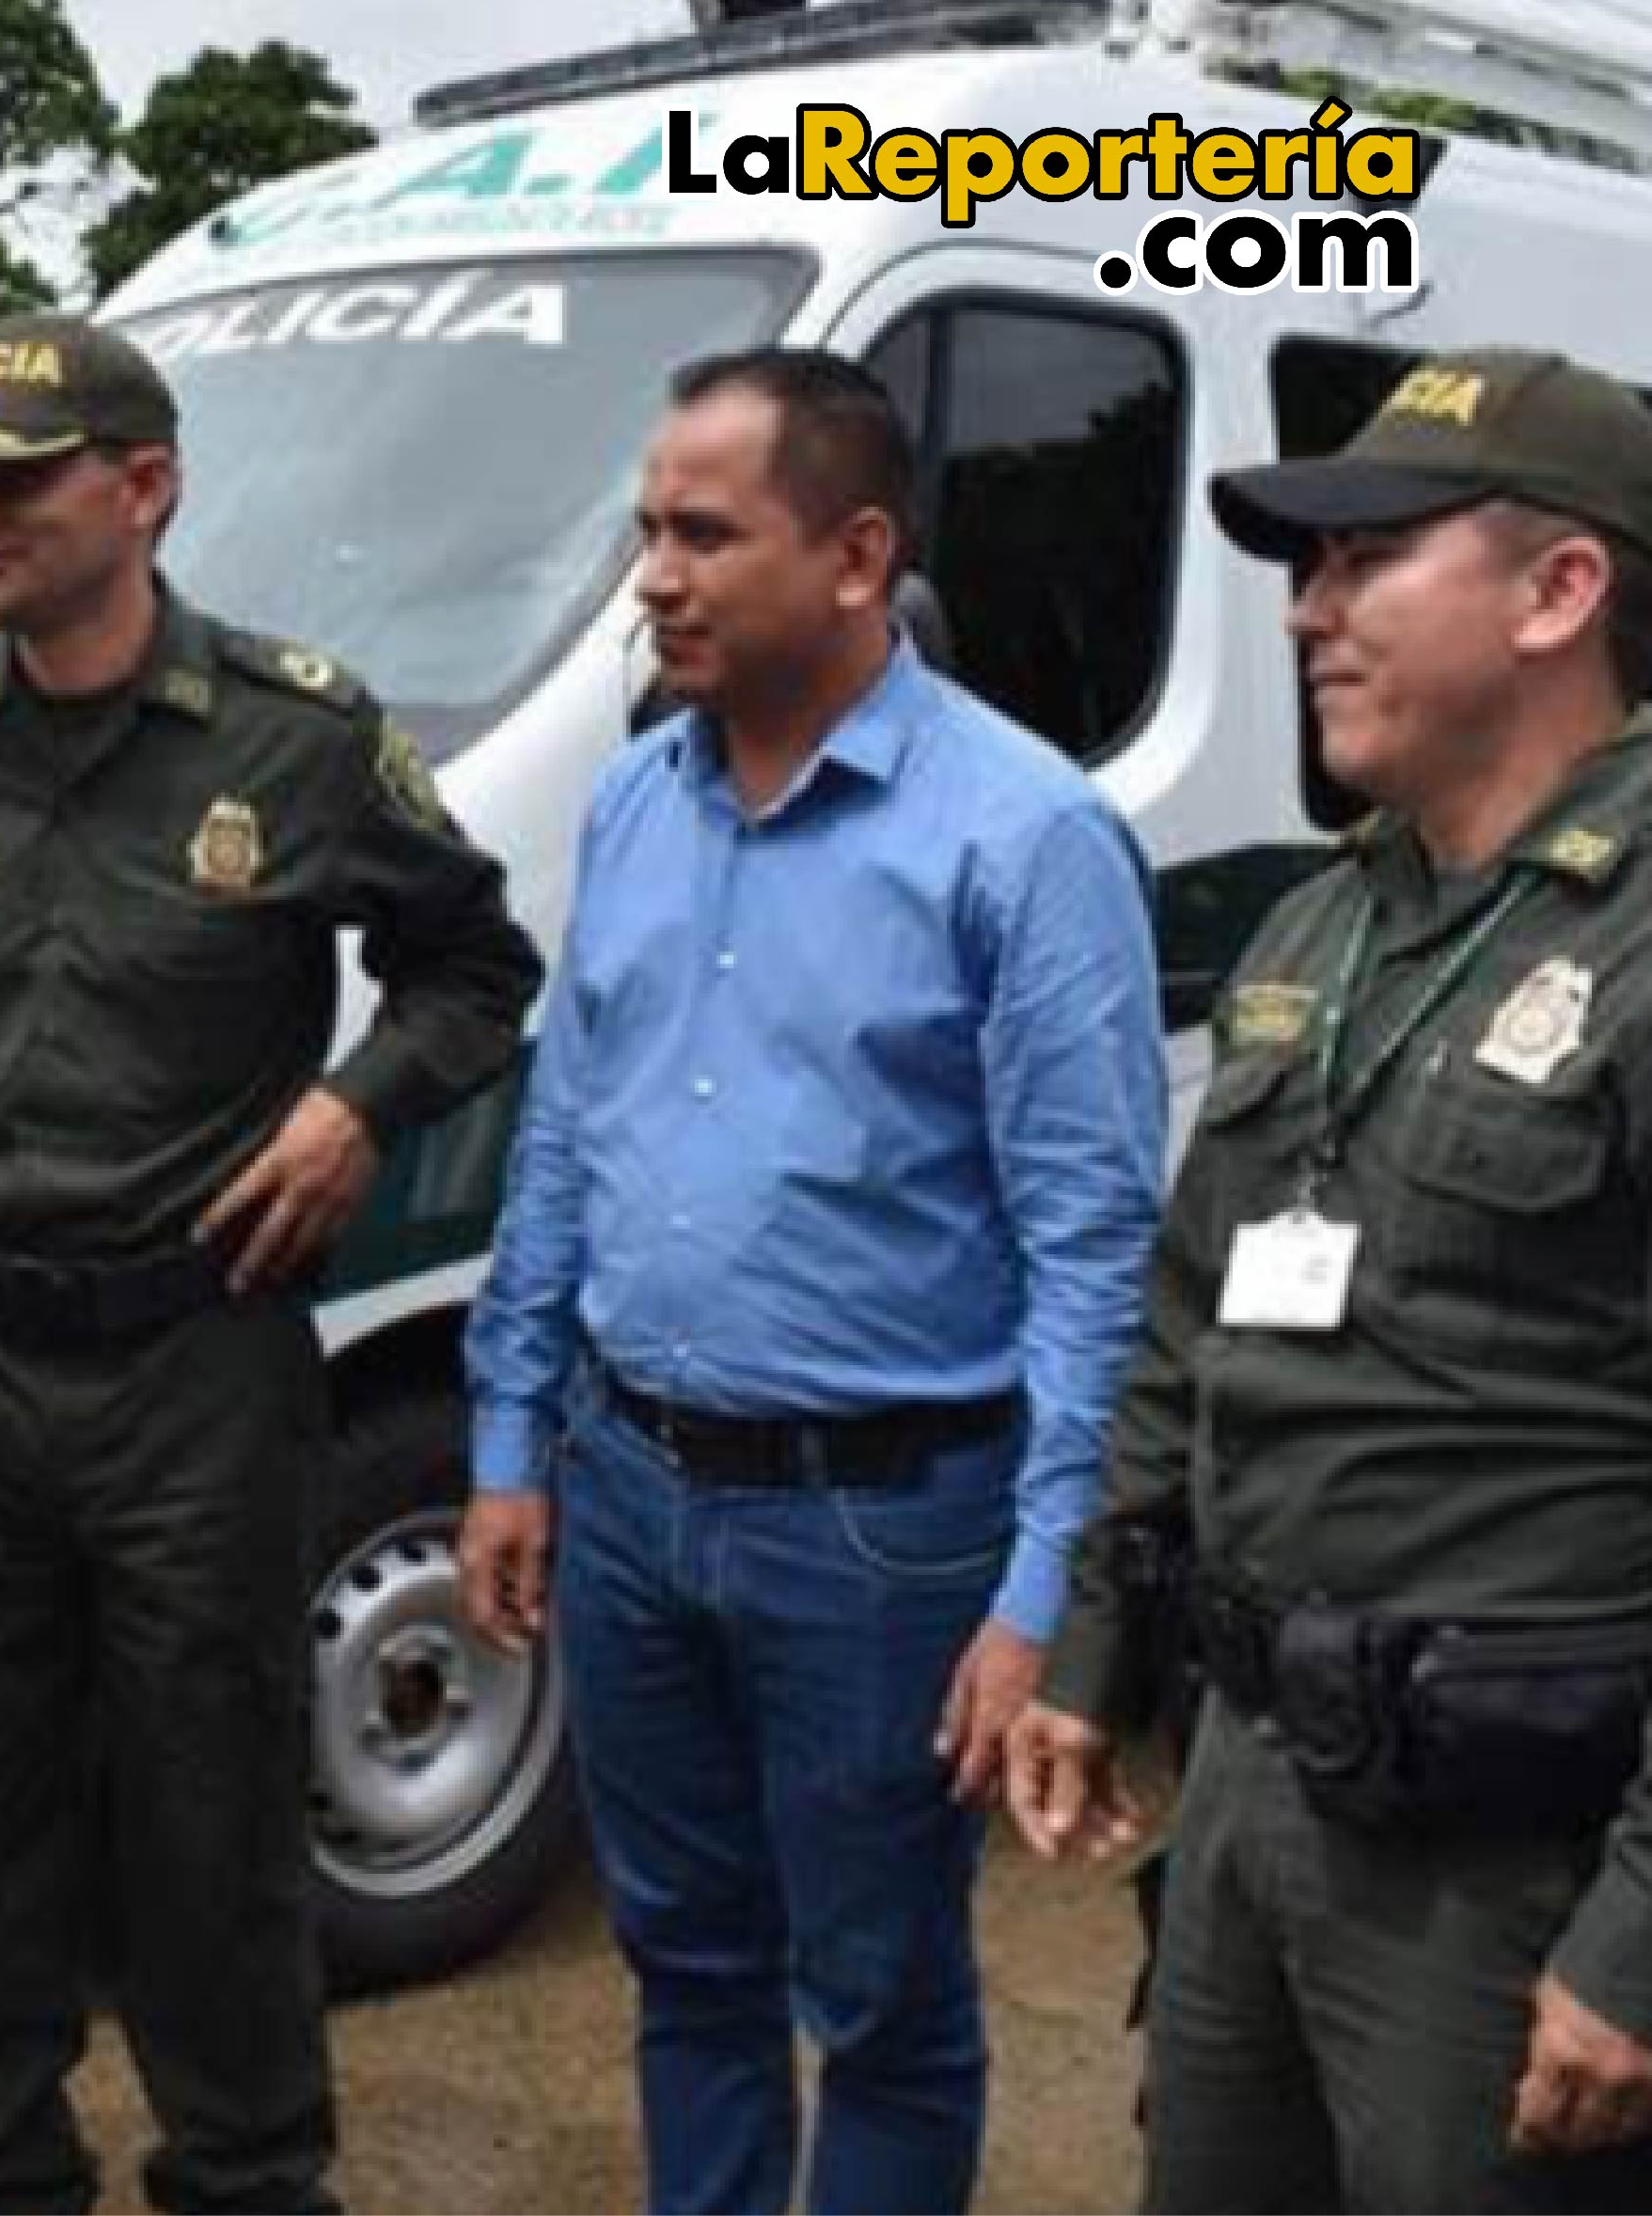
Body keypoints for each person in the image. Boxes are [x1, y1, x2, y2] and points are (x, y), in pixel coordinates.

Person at [0, 310, 540, 2215]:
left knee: (212, 1822)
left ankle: (252, 2171)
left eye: (20, 479)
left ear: (146, 485)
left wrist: (359, 1106)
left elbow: (477, 968)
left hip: (197, 1370)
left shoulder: (298, 736)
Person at [1006, 348, 1652, 2213]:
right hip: (1256, 1784)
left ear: (1562, 591)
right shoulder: (1324, 922)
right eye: (1307, 568)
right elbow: (1192, 1327)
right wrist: (1094, 1650)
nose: (1308, 609)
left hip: (1512, 1853)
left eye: (1367, 559)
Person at [457, 348, 1164, 2216]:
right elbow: (564, 1139)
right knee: (685, 1966)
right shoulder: (635, 803)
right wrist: (515, 1433)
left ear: (858, 555)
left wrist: (1041, 1594)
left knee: (882, 2002)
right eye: (645, 531)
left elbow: (1097, 1252)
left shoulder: (1025, 835)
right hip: (625, 1490)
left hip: (882, 1532)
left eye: (703, 532)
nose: (653, 577)